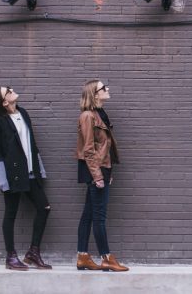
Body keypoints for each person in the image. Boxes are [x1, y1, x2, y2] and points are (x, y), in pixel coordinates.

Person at [0, 86, 51, 270]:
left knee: (44, 208)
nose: (12, 89)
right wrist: (2, 181)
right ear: (4, 102)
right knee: (11, 213)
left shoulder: (23, 113)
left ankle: (33, 252)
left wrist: (39, 169)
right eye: (8, 90)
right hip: (12, 176)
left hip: (30, 173)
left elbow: (32, 143)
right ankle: (11, 256)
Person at [75, 79, 129, 272]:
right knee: (99, 216)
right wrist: (98, 175)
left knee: (89, 214)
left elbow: (104, 148)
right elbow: (88, 149)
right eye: (103, 88)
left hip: (101, 168)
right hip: (94, 170)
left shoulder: (100, 113)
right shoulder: (88, 116)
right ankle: (106, 257)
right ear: (94, 94)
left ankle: (82, 256)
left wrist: (108, 171)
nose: (108, 88)